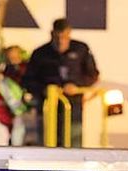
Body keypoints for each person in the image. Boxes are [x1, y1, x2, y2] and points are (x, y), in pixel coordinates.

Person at [23, 18, 99, 147]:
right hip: (48, 107)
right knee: (47, 144)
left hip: (73, 105)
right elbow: (28, 80)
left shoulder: (81, 49)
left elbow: (93, 75)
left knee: (73, 141)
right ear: (52, 34)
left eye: (65, 37)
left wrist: (77, 86)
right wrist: (44, 89)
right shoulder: (40, 53)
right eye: (58, 37)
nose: (61, 41)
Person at [0, 45, 29, 145]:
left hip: (24, 114)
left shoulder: (28, 72)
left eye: (16, 57)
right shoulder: (2, 78)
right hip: (6, 117)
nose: (13, 61)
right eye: (10, 58)